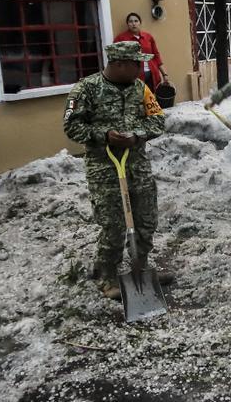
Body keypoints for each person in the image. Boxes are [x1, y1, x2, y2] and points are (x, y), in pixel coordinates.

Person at [63, 41, 169, 300]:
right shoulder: (86, 89)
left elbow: (158, 120)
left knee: (146, 221)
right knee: (113, 225)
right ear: (119, 64)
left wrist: (137, 135)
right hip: (104, 168)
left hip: (137, 165)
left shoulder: (140, 88)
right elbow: (71, 126)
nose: (141, 69)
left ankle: (140, 267)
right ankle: (106, 275)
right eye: (137, 64)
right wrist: (104, 135)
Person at [113, 12, 168, 92]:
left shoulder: (148, 37)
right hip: (133, 78)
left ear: (140, 23)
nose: (133, 24)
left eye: (136, 21)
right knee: (137, 100)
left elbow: (156, 56)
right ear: (127, 24)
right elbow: (116, 58)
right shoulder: (121, 39)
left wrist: (164, 74)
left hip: (151, 75)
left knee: (151, 99)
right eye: (130, 21)